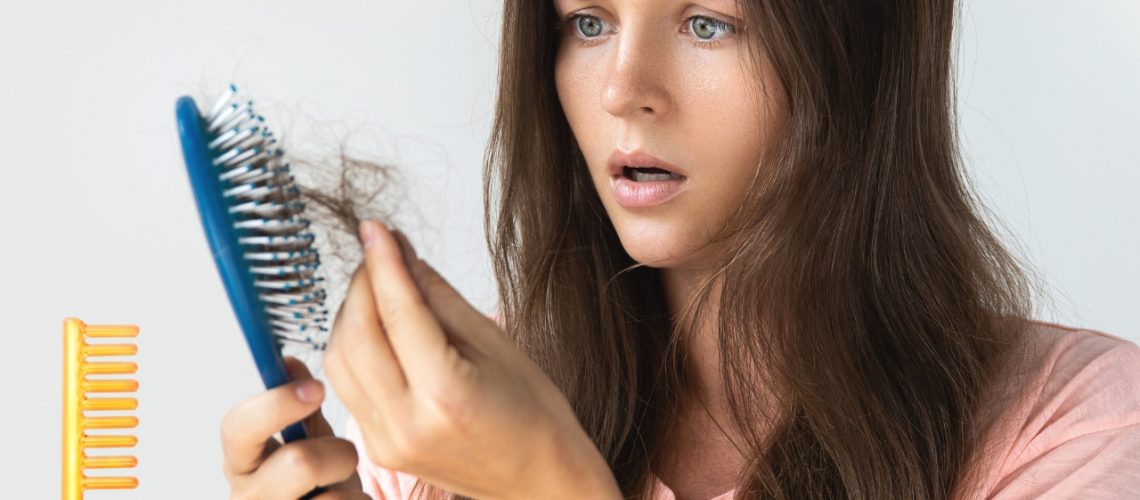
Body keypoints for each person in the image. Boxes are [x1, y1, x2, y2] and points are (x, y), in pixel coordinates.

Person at [221, 0, 1140, 498]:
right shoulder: (436, 433)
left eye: (708, 23)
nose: (624, 90)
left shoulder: (1079, 427)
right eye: (588, 21)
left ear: (857, 55)